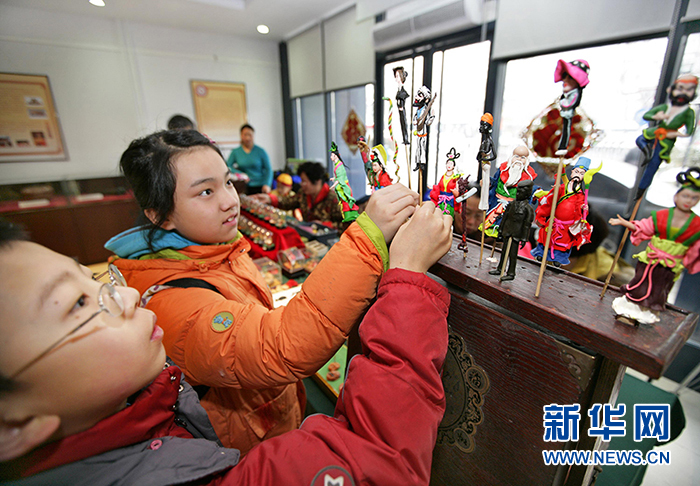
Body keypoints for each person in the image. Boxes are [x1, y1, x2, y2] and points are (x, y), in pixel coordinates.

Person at [0, 203, 454, 484]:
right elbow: (377, 458)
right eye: (79, 303)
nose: (127, 296)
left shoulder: (221, 255)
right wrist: (404, 275)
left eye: (94, 279)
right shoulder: (173, 299)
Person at [104, 130, 421, 455]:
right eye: (206, 192)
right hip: (246, 448)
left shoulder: (217, 248)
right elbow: (283, 345)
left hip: (272, 413)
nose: (230, 200)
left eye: (228, 182)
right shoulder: (170, 300)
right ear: (160, 215)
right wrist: (367, 239)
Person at [609, 167, 700, 324]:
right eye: (685, 196)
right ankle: (628, 311)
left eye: (694, 198)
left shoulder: (697, 224)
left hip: (670, 264)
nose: (688, 201)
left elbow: (695, 248)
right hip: (650, 260)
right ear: (676, 196)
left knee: (659, 289)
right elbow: (644, 227)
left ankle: (646, 314)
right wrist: (625, 223)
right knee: (640, 285)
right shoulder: (662, 216)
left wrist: (688, 260)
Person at [635, 74, 697, 200]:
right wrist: (657, 116)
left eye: (688, 90)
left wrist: (676, 133)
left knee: (653, 165)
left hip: (666, 139)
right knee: (640, 139)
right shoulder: (665, 107)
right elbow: (647, 115)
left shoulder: (688, 112)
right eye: (680, 88)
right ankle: (647, 151)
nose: (683, 93)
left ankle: (640, 191)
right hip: (656, 132)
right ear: (672, 90)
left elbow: (689, 130)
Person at [531, 156, 599, 266]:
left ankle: (558, 259)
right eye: (576, 172)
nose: (578, 175)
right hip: (554, 222)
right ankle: (541, 253)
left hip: (567, 226)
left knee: (563, 243)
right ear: (572, 173)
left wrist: (584, 209)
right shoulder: (562, 188)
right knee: (546, 238)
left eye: (581, 173)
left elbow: (581, 210)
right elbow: (551, 200)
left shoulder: (581, 195)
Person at [256, 161, 346, 232]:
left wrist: (324, 225)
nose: (301, 184)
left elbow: (347, 224)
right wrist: (269, 199)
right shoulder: (303, 194)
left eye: (304, 181)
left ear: (317, 181)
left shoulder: (334, 199)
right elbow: (288, 202)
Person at [482, 145, 537, 238]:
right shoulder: (503, 169)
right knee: (492, 220)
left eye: (522, 158)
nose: (519, 160)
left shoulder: (529, 176)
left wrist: (536, 192)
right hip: (497, 201)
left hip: (513, 206)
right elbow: (495, 181)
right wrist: (487, 182)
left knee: (507, 224)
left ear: (527, 160)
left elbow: (531, 190)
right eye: (517, 156)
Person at [489, 181, 535, 281]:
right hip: (507, 231)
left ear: (526, 194)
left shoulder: (528, 209)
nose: (517, 194)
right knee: (504, 252)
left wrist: (524, 238)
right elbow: (505, 218)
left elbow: (527, 225)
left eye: (520, 192)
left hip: (516, 235)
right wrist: (500, 230)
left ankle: (511, 273)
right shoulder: (511, 204)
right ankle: (500, 268)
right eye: (517, 192)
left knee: (513, 255)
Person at [554, 59, 590, 155]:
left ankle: (563, 147)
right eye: (564, 76)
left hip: (569, 116)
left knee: (567, 130)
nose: (565, 80)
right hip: (564, 115)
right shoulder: (565, 96)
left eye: (570, 77)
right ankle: (562, 146)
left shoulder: (574, 95)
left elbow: (567, 104)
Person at [226, 124, 272, 195]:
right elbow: (227, 166)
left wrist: (267, 184)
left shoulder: (261, 151)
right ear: (241, 136)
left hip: (261, 186)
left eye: (250, 135)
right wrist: (240, 174)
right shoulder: (236, 152)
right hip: (244, 186)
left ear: (253, 136)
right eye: (245, 135)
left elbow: (268, 169)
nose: (247, 138)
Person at [329, 142, 359, 223]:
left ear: (335, 156)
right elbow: (339, 177)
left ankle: (349, 216)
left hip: (343, 187)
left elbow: (340, 179)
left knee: (345, 201)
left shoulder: (339, 166)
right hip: (340, 186)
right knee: (343, 202)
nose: (331, 157)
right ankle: (347, 216)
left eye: (332, 155)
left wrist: (332, 186)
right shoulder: (337, 165)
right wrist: (334, 178)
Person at [430, 148, 462, 217]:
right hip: (441, 201)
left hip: (449, 202)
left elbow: (457, 192)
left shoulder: (455, 178)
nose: (449, 165)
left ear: (453, 166)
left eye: (451, 164)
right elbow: (439, 187)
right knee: (438, 216)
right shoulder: (443, 176)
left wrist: (456, 192)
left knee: (448, 217)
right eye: (448, 163)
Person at [394, 66, 410, 145]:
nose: (396, 78)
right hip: (400, 110)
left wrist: (401, 107)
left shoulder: (403, 92)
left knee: (404, 123)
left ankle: (406, 139)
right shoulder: (398, 90)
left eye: (397, 76)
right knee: (402, 123)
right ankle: (405, 138)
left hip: (402, 110)